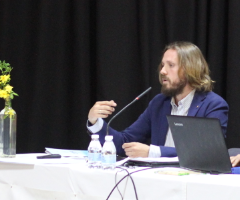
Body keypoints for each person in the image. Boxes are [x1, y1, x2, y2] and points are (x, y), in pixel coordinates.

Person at [87, 42, 229, 158]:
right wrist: (95, 121)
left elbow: (207, 153)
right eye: (162, 65)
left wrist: (152, 152)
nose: (162, 71)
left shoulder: (213, 105)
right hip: (157, 181)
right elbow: (124, 143)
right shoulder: (159, 103)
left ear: (190, 70)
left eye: (171, 65)